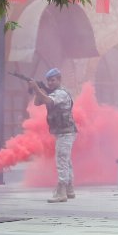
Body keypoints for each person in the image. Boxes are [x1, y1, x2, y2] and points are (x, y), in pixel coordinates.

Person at [29, 68, 77, 203]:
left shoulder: (61, 93)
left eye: (52, 80)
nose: (50, 83)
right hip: (63, 132)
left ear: (59, 79)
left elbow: (48, 101)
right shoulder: (53, 93)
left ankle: (61, 192)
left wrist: (37, 88)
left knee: (62, 160)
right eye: (48, 81)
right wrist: (37, 89)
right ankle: (69, 189)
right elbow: (38, 102)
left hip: (66, 132)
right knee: (66, 160)